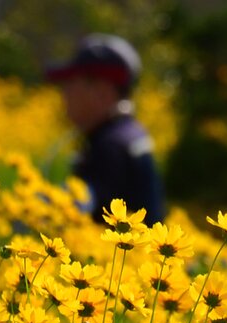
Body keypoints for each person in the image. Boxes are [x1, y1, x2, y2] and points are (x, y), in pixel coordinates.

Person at [45, 34, 166, 225]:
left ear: (102, 92)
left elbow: (80, 203)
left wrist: (34, 207)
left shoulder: (111, 146)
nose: (64, 93)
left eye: (71, 83)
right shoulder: (127, 134)